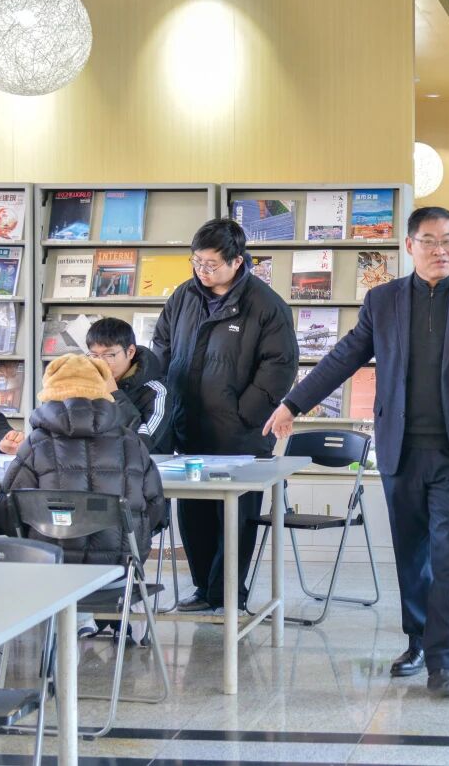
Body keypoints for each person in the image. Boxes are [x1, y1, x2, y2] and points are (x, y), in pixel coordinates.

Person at [265, 206, 449, 699]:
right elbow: (343, 357)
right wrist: (293, 403)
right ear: (409, 246)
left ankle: (444, 659)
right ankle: (417, 640)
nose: (441, 250)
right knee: (412, 553)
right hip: (402, 450)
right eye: (430, 241)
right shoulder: (383, 300)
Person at [154, 219, 298, 613]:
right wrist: (165, 398)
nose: (202, 270)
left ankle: (228, 593)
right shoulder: (184, 296)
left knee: (234, 518)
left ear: (237, 261)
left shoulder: (266, 305)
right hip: (188, 426)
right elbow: (161, 344)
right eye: (196, 261)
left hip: (239, 435)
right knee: (194, 515)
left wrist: (243, 414)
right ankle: (203, 589)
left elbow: (280, 365)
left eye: (211, 263)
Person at [0, 354, 168, 637]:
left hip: (51, 567)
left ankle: (76, 620)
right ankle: (117, 618)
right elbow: (155, 507)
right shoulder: (132, 443)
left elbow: (8, 509)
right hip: (117, 566)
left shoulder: (35, 445)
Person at [85, 317, 172, 454]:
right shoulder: (85, 384)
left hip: (147, 465)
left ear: (130, 352)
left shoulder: (157, 391)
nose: (101, 362)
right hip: (98, 464)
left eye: (109, 355)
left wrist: (115, 395)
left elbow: (142, 443)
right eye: (94, 355)